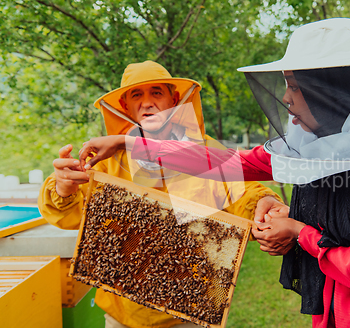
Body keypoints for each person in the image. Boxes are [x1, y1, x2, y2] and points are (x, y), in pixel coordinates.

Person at [80, 19, 350, 327]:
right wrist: (128, 144)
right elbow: (228, 164)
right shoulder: (316, 145)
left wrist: (299, 233)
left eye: (295, 86)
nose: (285, 97)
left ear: (330, 90)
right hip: (341, 309)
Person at [38, 60, 283, 328]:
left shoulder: (204, 151)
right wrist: (63, 187)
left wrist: (264, 202)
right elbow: (69, 216)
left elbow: (242, 190)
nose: (147, 102)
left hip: (189, 312)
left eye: (157, 93)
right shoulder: (106, 161)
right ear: (125, 106)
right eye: (136, 95)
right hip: (123, 315)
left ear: (174, 99)